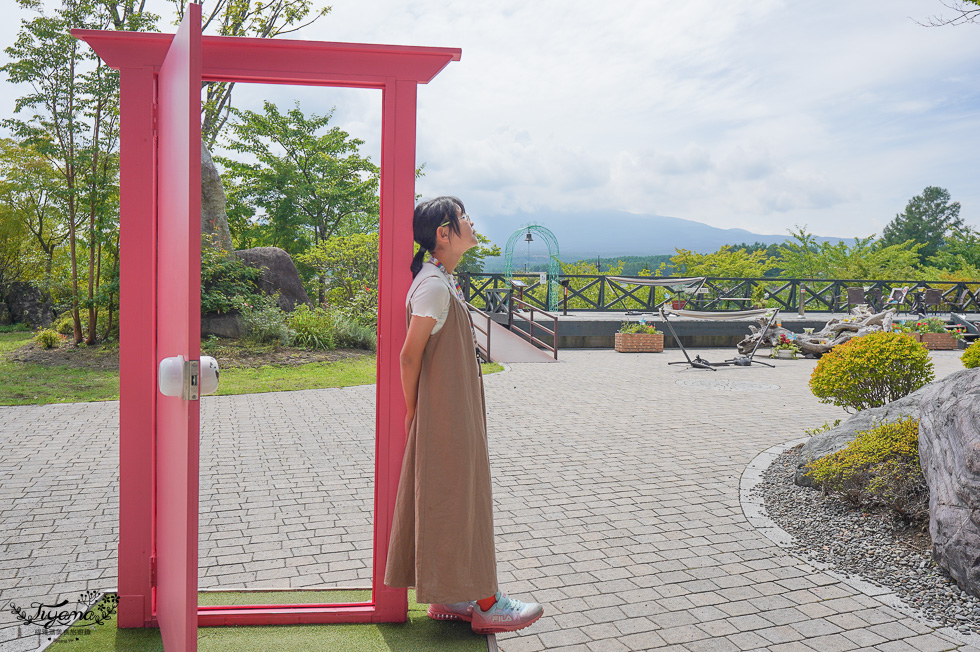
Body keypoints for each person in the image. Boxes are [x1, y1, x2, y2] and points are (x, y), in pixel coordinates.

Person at [384, 196, 545, 635]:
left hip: (451, 410)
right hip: (444, 415)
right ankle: (488, 602)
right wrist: (415, 413)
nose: (472, 223)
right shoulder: (434, 286)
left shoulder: (439, 279)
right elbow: (407, 356)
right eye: (464, 218)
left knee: (451, 499)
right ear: (444, 233)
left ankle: (450, 595)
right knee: (463, 500)